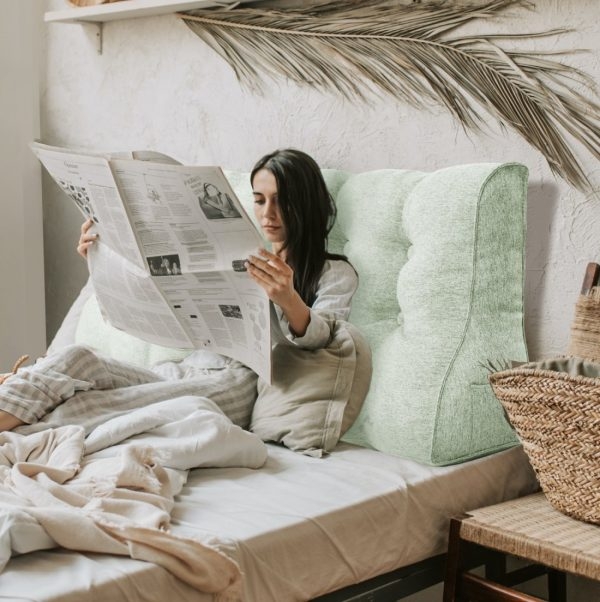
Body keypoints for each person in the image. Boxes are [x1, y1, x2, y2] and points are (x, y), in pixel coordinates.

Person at [0, 149, 358, 432]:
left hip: (239, 385)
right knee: (79, 359)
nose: (269, 213)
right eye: (260, 199)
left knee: (94, 404)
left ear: (308, 203)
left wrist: (289, 299)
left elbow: (325, 337)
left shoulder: (334, 272)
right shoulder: (240, 254)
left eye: (282, 200)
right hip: (186, 369)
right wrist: (100, 256)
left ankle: (16, 425)